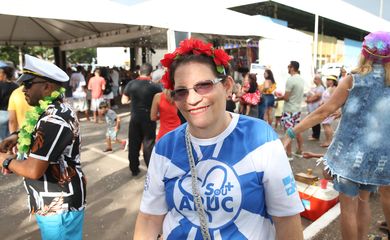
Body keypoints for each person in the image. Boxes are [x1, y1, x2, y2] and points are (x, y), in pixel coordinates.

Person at [134, 38, 303, 240]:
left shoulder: (260, 138)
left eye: (204, 85)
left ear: (227, 85)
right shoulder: (165, 148)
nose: (192, 99)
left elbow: (286, 221)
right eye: (181, 91)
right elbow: (149, 219)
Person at [282, 31, 390, 240]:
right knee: (364, 202)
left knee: (348, 209)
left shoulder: (353, 80)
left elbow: (324, 111)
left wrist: (291, 131)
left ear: (365, 53)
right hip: (377, 159)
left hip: (349, 157)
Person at [0, 54, 86, 240]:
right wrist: (16, 136)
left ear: (47, 87)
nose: (23, 89)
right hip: (51, 201)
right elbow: (37, 127)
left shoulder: (54, 119)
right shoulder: (52, 109)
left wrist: (4, 161)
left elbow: (33, 170)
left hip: (59, 205)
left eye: (28, 84)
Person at [121, 63, 162, 176]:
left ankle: (134, 168)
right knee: (148, 144)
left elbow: (123, 101)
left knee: (134, 144)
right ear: (151, 73)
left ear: (139, 72)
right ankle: (151, 169)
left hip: (135, 117)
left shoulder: (131, 84)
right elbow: (161, 102)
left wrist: (133, 102)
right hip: (149, 118)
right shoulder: (154, 86)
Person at [277, 61, 305, 159]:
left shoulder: (290, 80)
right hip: (297, 109)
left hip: (289, 110)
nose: (287, 68)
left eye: (288, 66)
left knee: (288, 132)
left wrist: (278, 97)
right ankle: (299, 151)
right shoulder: (301, 79)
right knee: (298, 131)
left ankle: (289, 154)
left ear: (292, 68)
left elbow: (287, 97)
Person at [0, 63, 18, 141]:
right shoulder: (16, 86)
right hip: (12, 113)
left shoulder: (0, 85)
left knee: (1, 137)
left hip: (1, 113)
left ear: (4, 74)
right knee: (10, 134)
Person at [305, 74, 325, 141]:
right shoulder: (315, 88)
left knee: (315, 122)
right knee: (313, 121)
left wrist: (309, 100)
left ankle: (316, 136)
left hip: (316, 107)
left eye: (315, 79)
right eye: (314, 79)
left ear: (319, 80)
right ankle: (314, 134)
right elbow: (309, 95)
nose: (314, 80)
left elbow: (317, 96)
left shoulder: (321, 88)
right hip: (312, 108)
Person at [320, 75, 338, 147]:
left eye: (330, 80)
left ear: (333, 81)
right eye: (327, 80)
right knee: (326, 124)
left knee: (326, 124)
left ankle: (329, 141)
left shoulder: (333, 88)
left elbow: (334, 99)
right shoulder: (329, 88)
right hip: (326, 108)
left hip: (329, 109)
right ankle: (329, 140)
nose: (328, 81)